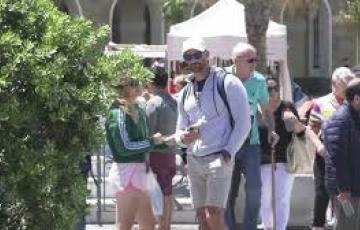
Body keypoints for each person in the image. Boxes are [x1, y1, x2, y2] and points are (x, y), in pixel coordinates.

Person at [176, 37, 251, 230]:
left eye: (197, 55)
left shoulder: (228, 82)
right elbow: (179, 132)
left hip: (219, 156)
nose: (193, 60)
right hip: (194, 158)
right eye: (188, 56)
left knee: (214, 214)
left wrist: (228, 151)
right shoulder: (184, 93)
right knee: (202, 216)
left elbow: (244, 123)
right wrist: (184, 138)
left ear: (207, 55)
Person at [225, 42, 278, 230]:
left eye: (256, 59)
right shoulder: (221, 77)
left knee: (255, 190)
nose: (254, 63)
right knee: (226, 194)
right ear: (236, 61)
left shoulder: (259, 80)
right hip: (227, 143)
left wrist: (271, 129)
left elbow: (265, 110)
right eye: (250, 60)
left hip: (251, 143)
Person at [105, 75, 167, 230]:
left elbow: (142, 141)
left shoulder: (138, 109)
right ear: (125, 87)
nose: (140, 85)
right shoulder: (117, 113)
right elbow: (124, 147)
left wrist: (165, 142)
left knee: (149, 224)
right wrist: (153, 142)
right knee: (125, 224)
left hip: (140, 171)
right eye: (134, 83)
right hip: (127, 174)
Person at [310, 67, 356, 230]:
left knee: (345, 201)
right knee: (321, 194)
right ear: (334, 84)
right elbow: (311, 129)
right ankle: (318, 225)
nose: (347, 87)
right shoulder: (320, 103)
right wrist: (320, 147)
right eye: (344, 83)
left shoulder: (353, 104)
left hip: (347, 156)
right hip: (324, 156)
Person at [258, 77, 306, 230]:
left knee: (282, 198)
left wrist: (293, 121)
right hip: (262, 160)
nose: (273, 92)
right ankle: (268, 226)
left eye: (275, 88)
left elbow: (300, 133)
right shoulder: (256, 108)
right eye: (268, 89)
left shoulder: (287, 107)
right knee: (264, 198)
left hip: (285, 159)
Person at [323, 78, 360, 230]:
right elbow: (336, 159)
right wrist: (343, 188)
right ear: (357, 99)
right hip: (347, 192)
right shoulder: (340, 121)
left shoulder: (354, 117)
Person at [146, 63, 178, 230]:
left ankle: (161, 226)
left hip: (156, 155)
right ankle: (166, 226)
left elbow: (147, 135)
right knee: (167, 192)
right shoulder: (173, 101)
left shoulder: (153, 103)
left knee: (157, 195)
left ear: (150, 82)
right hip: (170, 153)